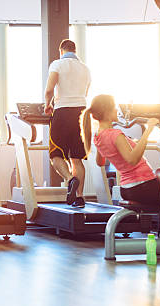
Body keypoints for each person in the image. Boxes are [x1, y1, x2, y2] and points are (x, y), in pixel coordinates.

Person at [81, 94, 160, 260]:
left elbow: (100, 161)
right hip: (142, 187)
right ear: (107, 111)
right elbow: (132, 159)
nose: (116, 110)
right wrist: (148, 130)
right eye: (114, 107)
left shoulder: (98, 136)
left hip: (128, 189)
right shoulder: (115, 134)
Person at [44, 39, 91, 208]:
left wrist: (47, 104)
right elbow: (85, 92)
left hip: (63, 111)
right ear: (75, 50)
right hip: (82, 114)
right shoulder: (85, 68)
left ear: (61, 51)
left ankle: (71, 180)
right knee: (77, 158)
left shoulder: (57, 64)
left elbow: (50, 88)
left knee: (55, 155)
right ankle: (79, 198)